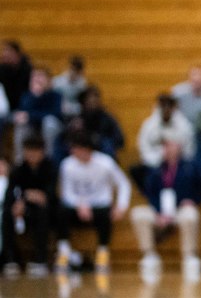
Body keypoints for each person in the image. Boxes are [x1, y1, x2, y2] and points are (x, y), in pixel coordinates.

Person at [130, 139, 201, 280]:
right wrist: (158, 212)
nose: (168, 149)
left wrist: (193, 201)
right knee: (138, 213)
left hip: (179, 210)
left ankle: (189, 255)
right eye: (165, 146)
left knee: (191, 215)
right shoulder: (156, 170)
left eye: (171, 145)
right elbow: (150, 194)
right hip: (160, 212)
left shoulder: (190, 167)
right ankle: (149, 255)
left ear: (179, 147)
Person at [55, 134, 130, 275]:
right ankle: (64, 250)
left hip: (99, 206)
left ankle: (103, 252)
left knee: (105, 213)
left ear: (87, 149)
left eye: (76, 149)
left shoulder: (105, 163)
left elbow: (123, 183)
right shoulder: (67, 164)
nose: (73, 152)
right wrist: (80, 205)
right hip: (76, 207)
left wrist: (121, 205)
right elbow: (67, 193)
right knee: (61, 210)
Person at [2, 137, 57, 277]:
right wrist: (17, 204)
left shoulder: (50, 167)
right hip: (24, 209)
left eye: (35, 151)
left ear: (42, 152)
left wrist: (26, 197)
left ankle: (40, 260)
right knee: (7, 213)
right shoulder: (19, 169)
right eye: (28, 151)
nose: (31, 155)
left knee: (42, 212)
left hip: (47, 211)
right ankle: (10, 259)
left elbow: (48, 196)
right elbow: (10, 193)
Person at [135, 93, 196, 190]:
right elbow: (143, 147)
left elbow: (189, 149)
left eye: (169, 106)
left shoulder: (184, 125)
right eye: (163, 106)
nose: (166, 110)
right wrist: (158, 158)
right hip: (155, 162)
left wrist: (176, 158)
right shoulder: (149, 125)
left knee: (189, 172)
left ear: (174, 108)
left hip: (178, 163)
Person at [13, 68, 63, 165]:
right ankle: (20, 162)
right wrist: (35, 96)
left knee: (50, 122)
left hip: (51, 128)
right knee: (21, 125)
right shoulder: (27, 96)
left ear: (48, 79)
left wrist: (31, 116)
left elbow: (55, 114)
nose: (37, 79)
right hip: (32, 127)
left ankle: (49, 161)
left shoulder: (56, 95)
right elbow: (24, 113)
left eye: (40, 76)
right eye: (34, 76)